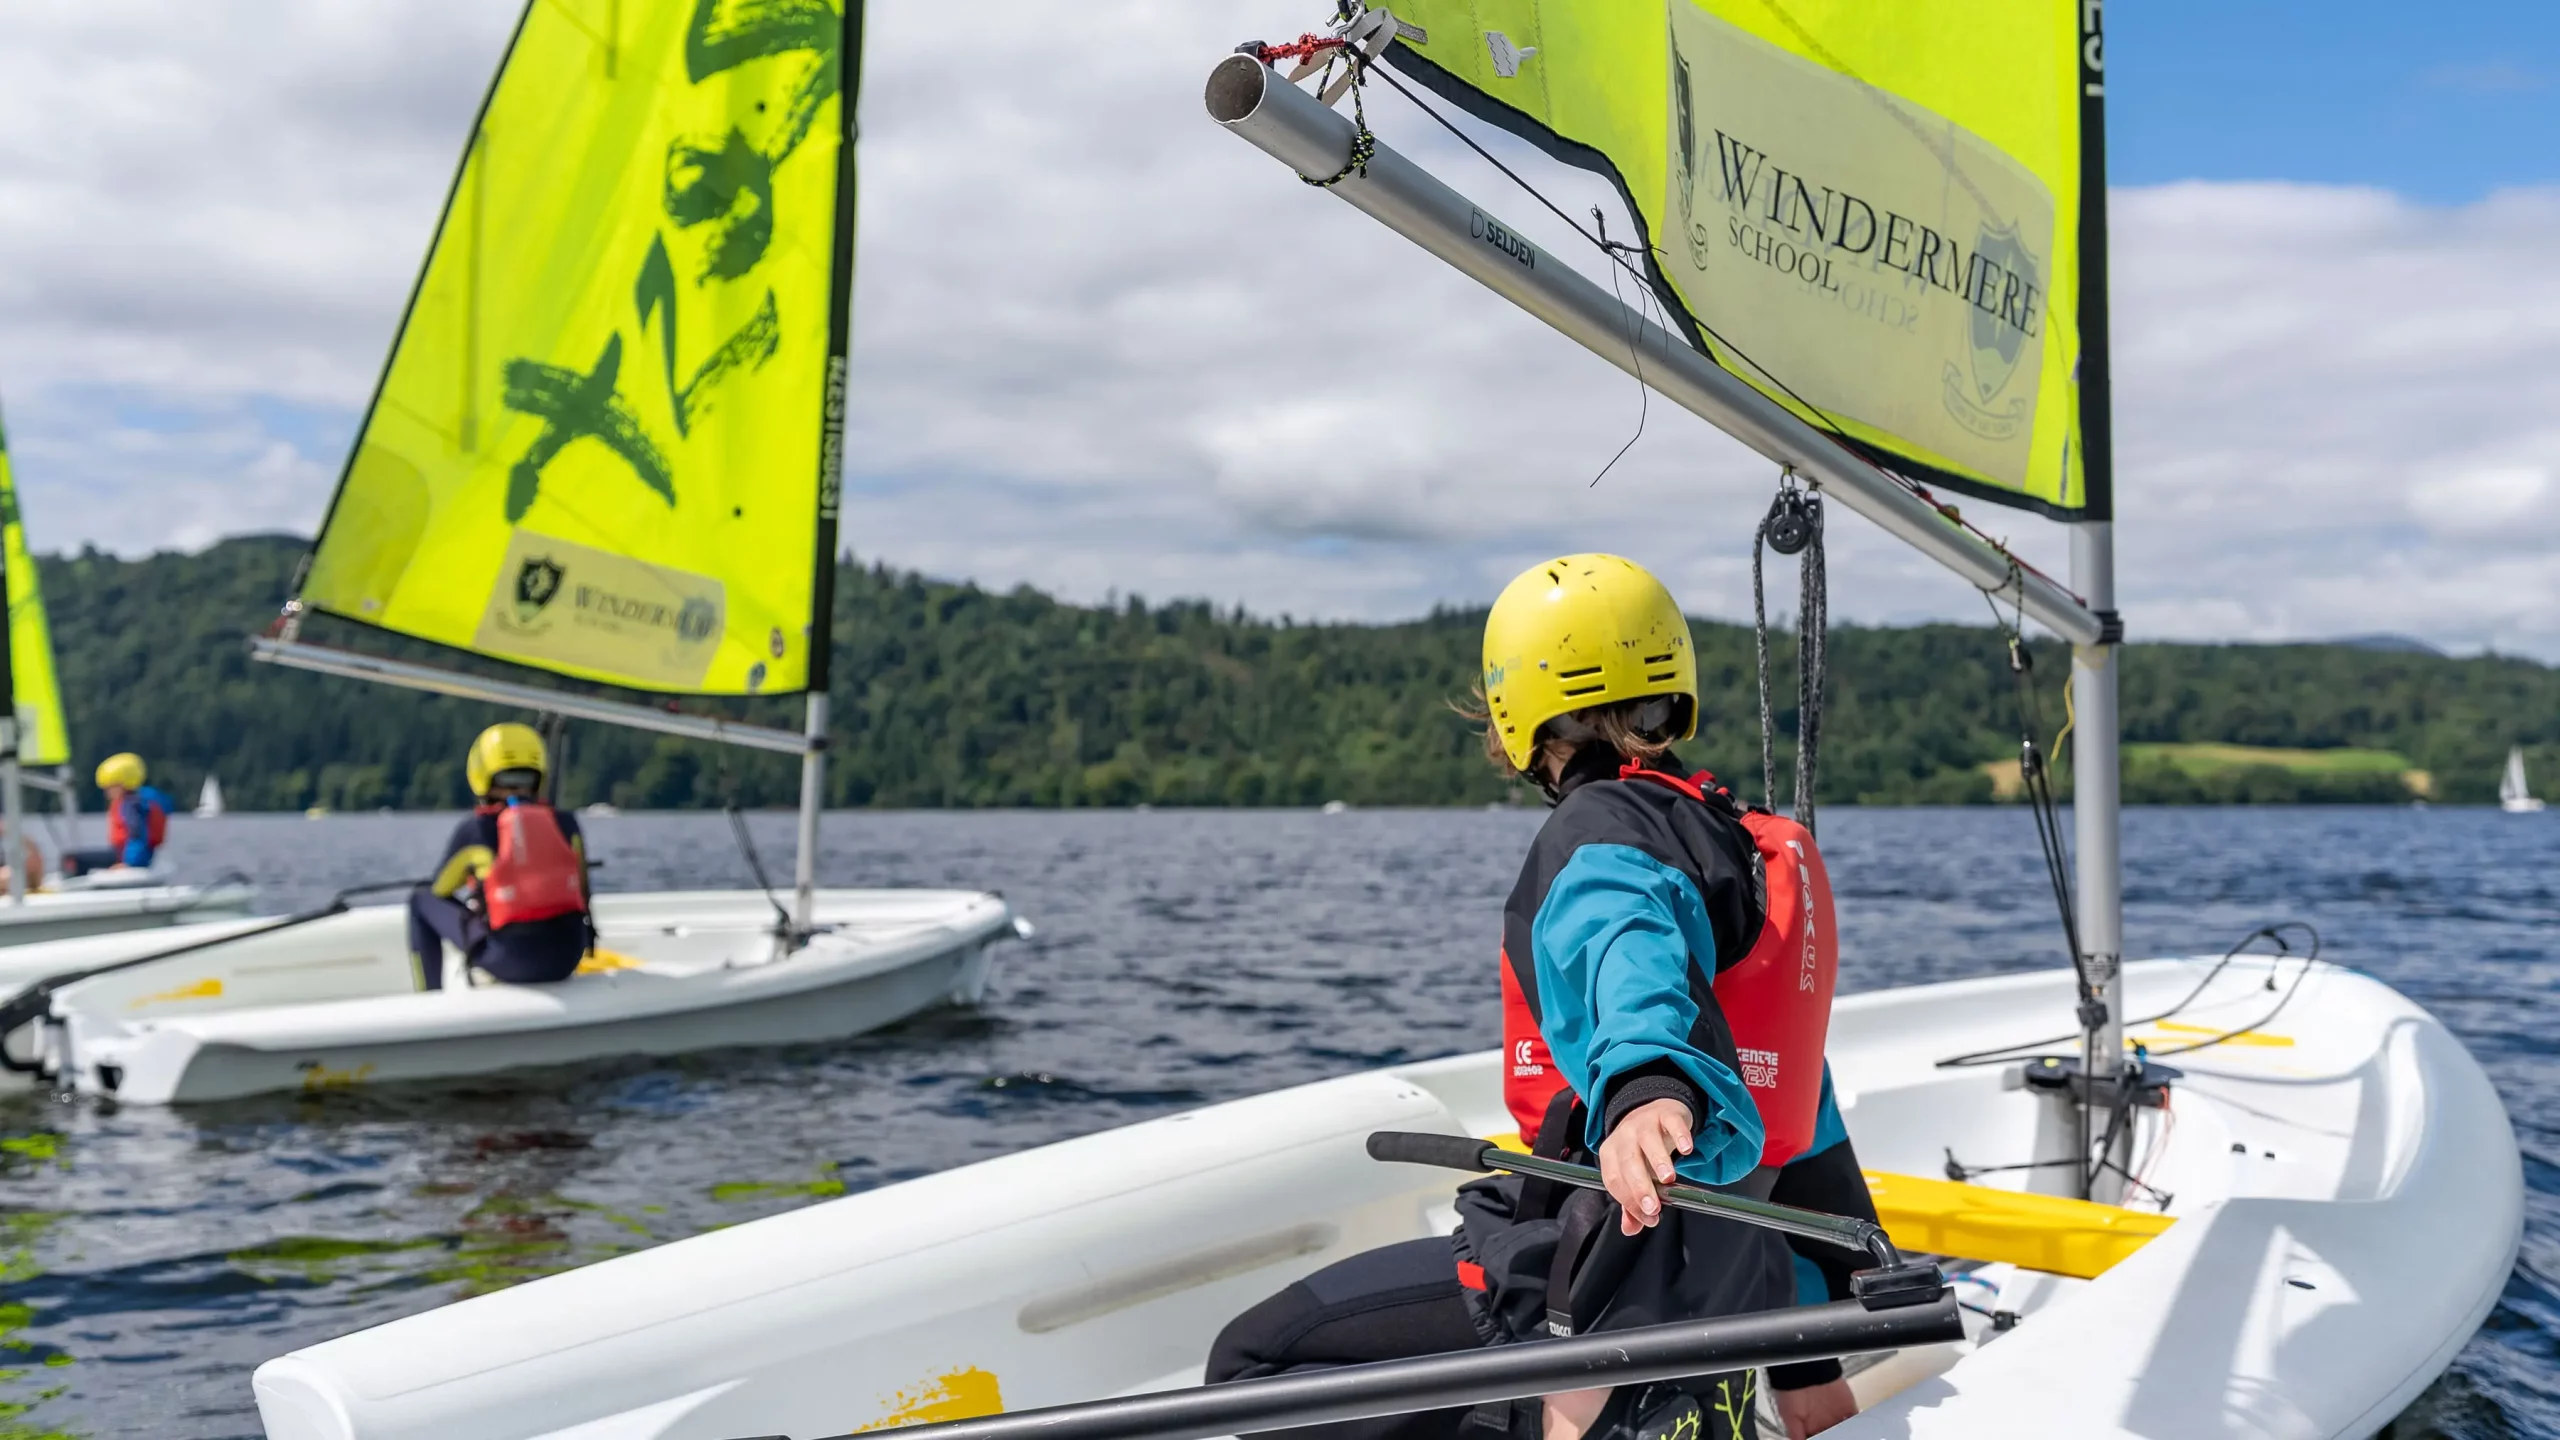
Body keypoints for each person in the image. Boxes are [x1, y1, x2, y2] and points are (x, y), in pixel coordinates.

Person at [1206, 555, 1863, 1440]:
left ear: (1520, 711)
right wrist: (1810, 1370)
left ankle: (1529, 1419)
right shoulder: (1737, 842)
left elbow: (1625, 949)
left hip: (1586, 1284)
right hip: (1728, 1294)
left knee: (1253, 1360)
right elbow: (1798, 1105)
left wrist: (1646, 1090)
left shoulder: (1596, 832)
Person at [408, 723, 592, 991]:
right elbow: (584, 892)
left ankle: (428, 998)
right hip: (567, 957)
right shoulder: (566, 822)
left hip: (512, 961)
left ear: (481, 774)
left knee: (420, 899)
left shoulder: (476, 829)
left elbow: (440, 889)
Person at [60, 753, 173, 877]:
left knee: (71, 860)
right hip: (130, 855)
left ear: (122, 784)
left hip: (128, 858)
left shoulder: (130, 805)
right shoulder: (139, 801)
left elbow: (137, 835)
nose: (107, 793)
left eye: (109, 787)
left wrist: (129, 864)